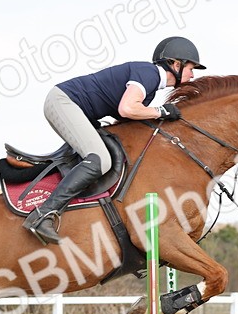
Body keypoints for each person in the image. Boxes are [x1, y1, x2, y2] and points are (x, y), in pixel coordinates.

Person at [22, 36, 207, 245]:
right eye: (191, 68)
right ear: (175, 64)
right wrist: (160, 111)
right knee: (100, 160)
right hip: (64, 102)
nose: (192, 75)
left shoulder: (150, 85)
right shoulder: (149, 74)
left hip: (76, 108)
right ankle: (43, 214)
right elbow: (127, 108)